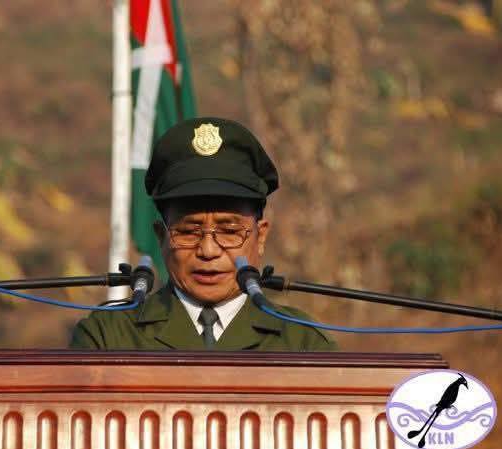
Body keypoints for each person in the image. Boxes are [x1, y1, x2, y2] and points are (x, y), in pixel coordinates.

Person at [70, 117, 337, 351]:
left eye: (229, 231)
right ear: (161, 237)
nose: (208, 250)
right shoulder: (108, 337)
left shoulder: (301, 342)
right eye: (188, 231)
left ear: (261, 236)